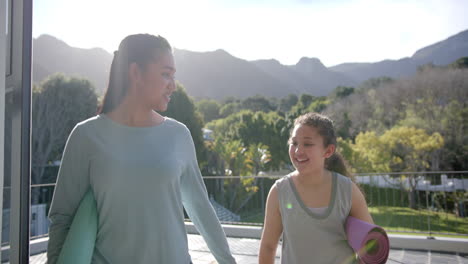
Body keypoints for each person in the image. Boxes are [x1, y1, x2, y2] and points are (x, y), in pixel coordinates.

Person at [47, 34, 237, 264]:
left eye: (173, 76)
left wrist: (229, 262)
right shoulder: (85, 136)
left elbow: (201, 210)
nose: (173, 86)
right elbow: (62, 219)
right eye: (166, 74)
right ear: (136, 72)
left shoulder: (179, 135)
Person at [258, 112, 373, 264]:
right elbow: (267, 246)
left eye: (307, 144)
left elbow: (371, 244)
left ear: (328, 151)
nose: (298, 151)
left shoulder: (347, 190)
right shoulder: (279, 191)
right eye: (294, 143)